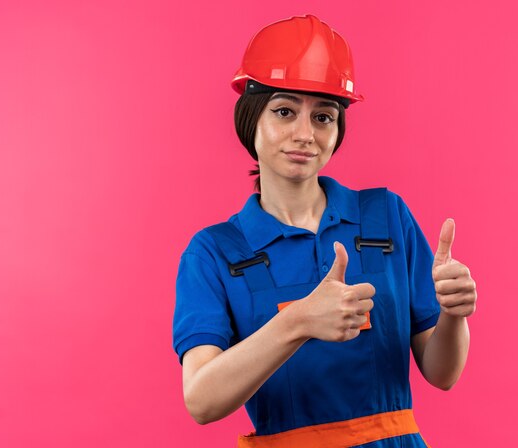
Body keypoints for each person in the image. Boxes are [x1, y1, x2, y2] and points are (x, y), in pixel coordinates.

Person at [173, 14, 477, 448]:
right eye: (284, 111)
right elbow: (201, 400)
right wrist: (297, 322)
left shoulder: (386, 216)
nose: (305, 134)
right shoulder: (214, 253)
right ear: (251, 119)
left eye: (323, 117)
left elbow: (442, 373)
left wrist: (453, 315)